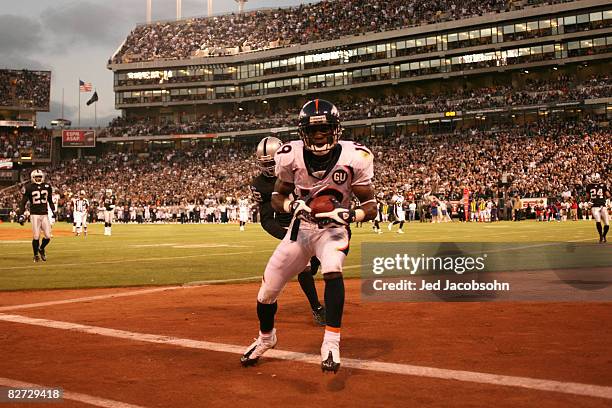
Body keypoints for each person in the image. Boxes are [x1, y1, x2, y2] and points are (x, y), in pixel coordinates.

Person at [241, 99, 377, 373]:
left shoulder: (355, 156)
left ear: (335, 129)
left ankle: (331, 342)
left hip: (333, 230)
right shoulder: (290, 154)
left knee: (332, 269)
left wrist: (352, 215)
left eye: (325, 129)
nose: (319, 135)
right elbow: (278, 196)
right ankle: (267, 338)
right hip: (300, 229)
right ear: (303, 132)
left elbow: (370, 205)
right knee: (266, 292)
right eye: (313, 130)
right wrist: (293, 205)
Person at [251, 136, 326, 326]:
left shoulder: (299, 168)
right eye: (265, 163)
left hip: (311, 220)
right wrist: (288, 235)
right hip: (288, 226)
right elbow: (267, 220)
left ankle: (315, 259)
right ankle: (317, 308)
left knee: (318, 260)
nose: (269, 167)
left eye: (271, 162)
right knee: (305, 267)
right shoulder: (260, 184)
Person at [17, 169, 55, 262]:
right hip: (34, 215)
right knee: (36, 236)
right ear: (32, 178)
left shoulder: (47, 186)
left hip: (45, 214)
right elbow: (23, 202)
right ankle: (35, 255)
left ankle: (41, 248)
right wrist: (21, 214)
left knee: (48, 236)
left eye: (40, 177)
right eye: (36, 177)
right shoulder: (29, 187)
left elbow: (50, 200)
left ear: (42, 177)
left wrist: (54, 211)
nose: (38, 179)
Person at [586, 173, 610, 243]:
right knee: (600, 222)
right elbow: (608, 195)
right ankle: (601, 236)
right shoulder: (602, 185)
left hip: (600, 206)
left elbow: (587, 197)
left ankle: (603, 236)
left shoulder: (589, 186)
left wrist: (588, 201)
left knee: (606, 224)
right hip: (596, 206)